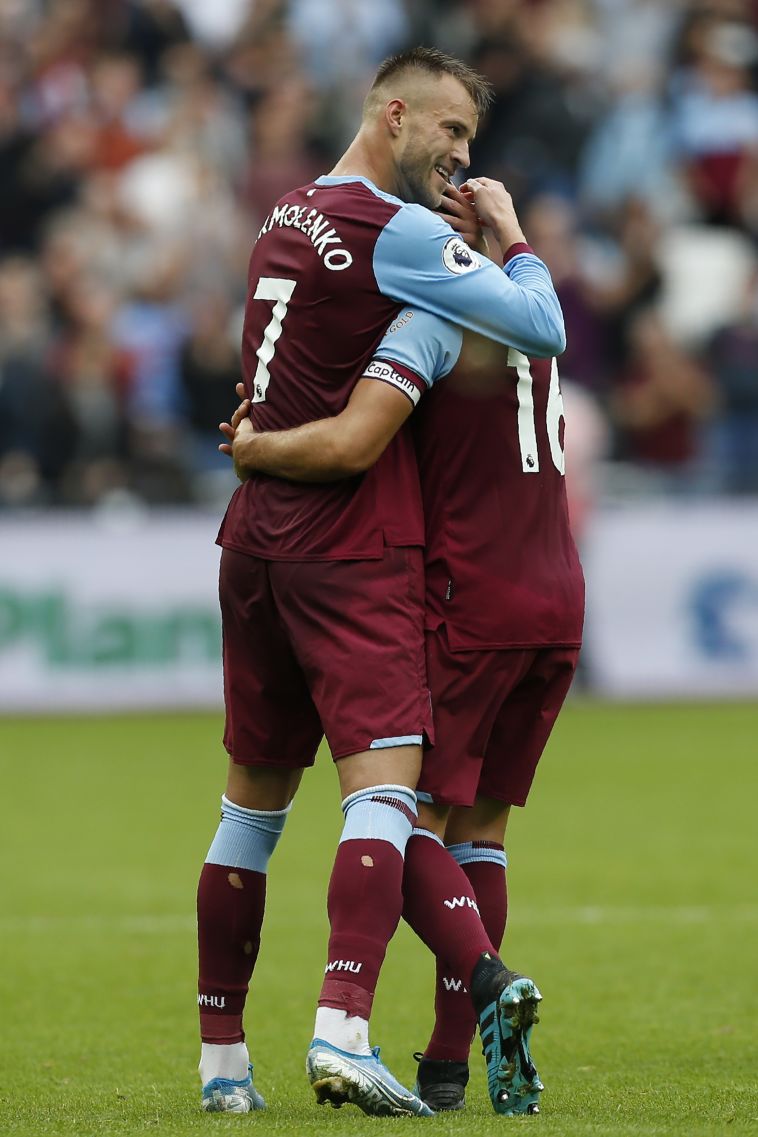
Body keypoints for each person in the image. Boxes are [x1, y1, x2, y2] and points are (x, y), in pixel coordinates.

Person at [197, 46, 565, 1119]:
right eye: (448, 133)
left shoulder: (283, 214)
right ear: (393, 112)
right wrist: (507, 238)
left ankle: (222, 1067)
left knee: (251, 807)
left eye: (470, 144)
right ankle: (343, 1027)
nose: (459, 159)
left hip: (252, 542)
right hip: (344, 544)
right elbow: (537, 327)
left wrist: (254, 447)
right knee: (390, 791)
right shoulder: (396, 233)